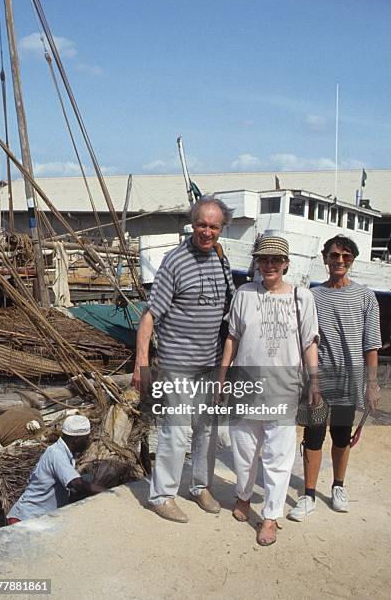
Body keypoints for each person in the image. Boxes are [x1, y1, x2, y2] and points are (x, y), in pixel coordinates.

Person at [132, 196, 234, 523]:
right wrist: (141, 363)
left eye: (213, 226)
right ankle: (162, 496)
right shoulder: (174, 262)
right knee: (175, 431)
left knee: (207, 429)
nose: (207, 232)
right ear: (193, 223)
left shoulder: (221, 260)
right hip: (177, 364)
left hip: (210, 363)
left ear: (221, 229)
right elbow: (149, 317)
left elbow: (229, 311)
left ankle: (200, 486)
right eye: (202, 224)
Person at [220, 235, 320, 546]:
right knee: (244, 450)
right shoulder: (244, 294)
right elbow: (233, 338)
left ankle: (271, 516)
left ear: (286, 263)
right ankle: (244, 496)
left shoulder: (302, 298)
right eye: (264, 259)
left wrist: (314, 381)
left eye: (276, 259)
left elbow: (309, 343)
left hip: (283, 389)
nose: (269, 265)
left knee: (278, 456)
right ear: (257, 263)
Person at [288, 235, 382, 521]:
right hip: (319, 380)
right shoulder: (313, 296)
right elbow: (304, 340)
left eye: (345, 256)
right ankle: (309, 494)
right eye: (334, 255)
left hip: (350, 381)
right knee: (313, 436)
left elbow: (371, 344)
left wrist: (372, 384)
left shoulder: (366, 296)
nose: (339, 261)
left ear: (352, 260)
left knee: (341, 437)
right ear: (324, 258)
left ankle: (338, 487)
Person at [6, 415, 103, 523]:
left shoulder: (66, 454)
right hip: (26, 519)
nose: (88, 442)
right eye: (86, 439)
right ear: (76, 440)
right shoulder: (57, 454)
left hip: (39, 518)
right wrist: (109, 492)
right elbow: (77, 484)